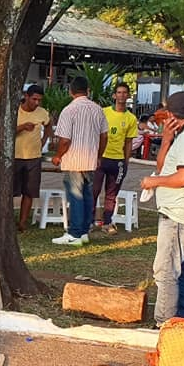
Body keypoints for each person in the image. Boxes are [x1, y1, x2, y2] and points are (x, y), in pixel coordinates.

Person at [140, 92, 184, 327]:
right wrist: (167, 139)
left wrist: (153, 182)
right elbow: (163, 167)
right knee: (180, 267)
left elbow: (183, 177)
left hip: (181, 214)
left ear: (171, 114)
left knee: (165, 270)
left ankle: (164, 323)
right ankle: (182, 317)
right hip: (177, 211)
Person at [51, 76, 108, 245]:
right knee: (87, 196)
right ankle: (84, 231)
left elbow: (65, 140)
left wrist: (58, 156)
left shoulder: (69, 110)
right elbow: (104, 136)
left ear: (71, 91)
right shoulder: (98, 109)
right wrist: (99, 155)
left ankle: (75, 233)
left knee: (75, 196)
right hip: (90, 160)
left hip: (74, 160)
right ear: (87, 90)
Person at [92, 82, 138, 234]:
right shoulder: (103, 112)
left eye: (124, 92)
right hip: (100, 158)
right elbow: (95, 133)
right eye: (119, 92)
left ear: (128, 95)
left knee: (111, 194)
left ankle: (107, 222)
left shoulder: (131, 118)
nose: (122, 95)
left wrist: (126, 161)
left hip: (117, 160)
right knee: (94, 191)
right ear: (114, 95)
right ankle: (89, 221)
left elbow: (129, 142)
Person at [14, 85, 53, 232]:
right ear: (27, 96)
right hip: (15, 157)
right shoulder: (15, 111)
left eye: (39, 100)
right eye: (34, 99)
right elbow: (6, 130)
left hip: (34, 158)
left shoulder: (42, 113)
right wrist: (22, 127)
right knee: (11, 191)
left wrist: (44, 141)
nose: (36, 103)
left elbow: (49, 125)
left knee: (29, 192)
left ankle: (23, 222)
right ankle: (8, 219)